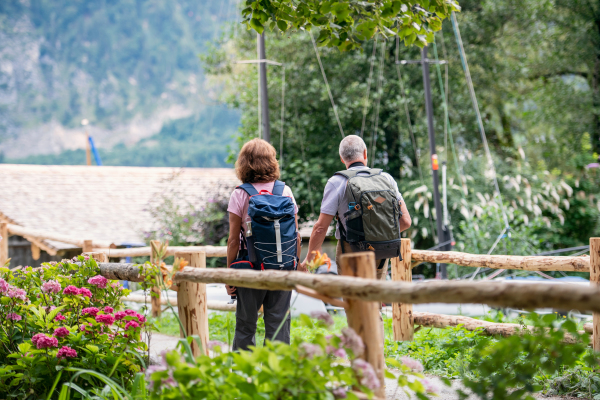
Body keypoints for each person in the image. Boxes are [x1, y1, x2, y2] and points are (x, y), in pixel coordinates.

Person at [301, 134, 411, 283]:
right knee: (375, 298)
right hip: (382, 250)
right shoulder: (386, 178)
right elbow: (405, 221)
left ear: (342, 158)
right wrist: (379, 236)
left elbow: (320, 228)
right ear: (365, 153)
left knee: (354, 300)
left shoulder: (337, 182)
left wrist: (308, 261)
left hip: (350, 250)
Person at [226, 138, 300, 351]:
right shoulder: (285, 191)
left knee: (246, 327)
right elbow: (295, 235)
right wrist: (294, 264)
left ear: (244, 163)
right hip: (282, 268)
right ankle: (278, 380)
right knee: (279, 327)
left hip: (250, 268)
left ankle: (242, 379)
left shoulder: (240, 193)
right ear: (271, 161)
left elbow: (233, 240)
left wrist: (229, 272)